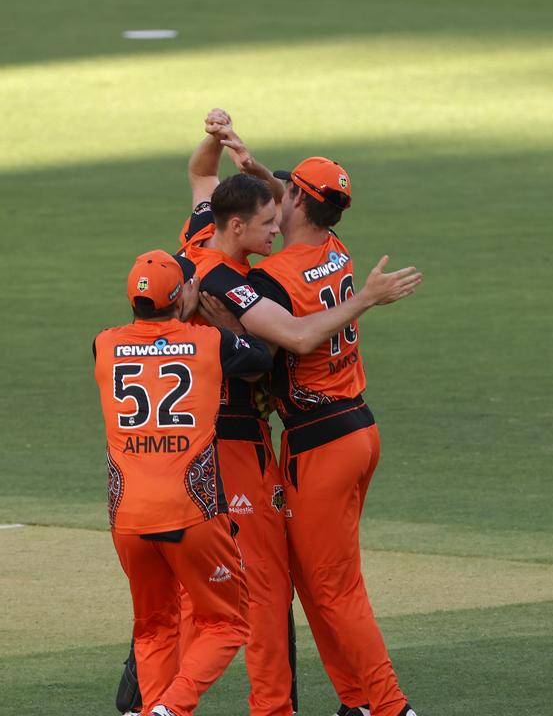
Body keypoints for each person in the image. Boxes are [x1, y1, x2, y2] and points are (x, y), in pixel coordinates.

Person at [248, 155, 419, 716]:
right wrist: (250, 159)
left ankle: (391, 706)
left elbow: (289, 341)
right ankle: (359, 701)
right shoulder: (337, 251)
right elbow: (288, 191)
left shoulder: (272, 277)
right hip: (357, 430)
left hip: (318, 443)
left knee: (335, 588)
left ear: (295, 199)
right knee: (315, 579)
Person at [94, 250, 273, 716]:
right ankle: (171, 707)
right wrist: (207, 318)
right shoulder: (208, 342)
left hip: (128, 517)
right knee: (228, 623)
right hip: (191, 511)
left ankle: (156, 708)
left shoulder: (105, 343)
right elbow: (259, 356)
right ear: (183, 295)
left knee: (152, 627)